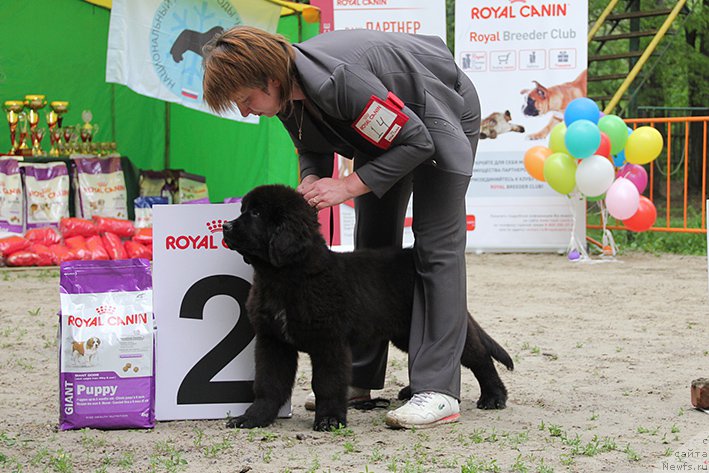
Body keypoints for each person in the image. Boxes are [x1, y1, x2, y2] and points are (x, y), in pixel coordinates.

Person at [202, 25, 480, 429]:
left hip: (437, 113)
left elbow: (417, 141)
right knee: (371, 239)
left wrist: (348, 185)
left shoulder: (338, 81)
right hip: (394, 131)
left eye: (246, 100)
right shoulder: (284, 94)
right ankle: (360, 378)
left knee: (435, 247)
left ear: (271, 80)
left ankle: (437, 389)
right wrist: (314, 178)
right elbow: (309, 144)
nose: (246, 111)